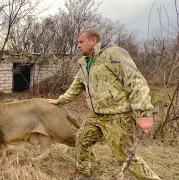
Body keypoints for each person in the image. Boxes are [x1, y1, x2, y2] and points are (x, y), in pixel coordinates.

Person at [48, 28, 160, 180]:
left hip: (118, 115)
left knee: (124, 156)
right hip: (97, 115)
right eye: (77, 43)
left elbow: (135, 81)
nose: (78, 45)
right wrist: (60, 100)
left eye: (81, 42)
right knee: (81, 137)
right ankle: (83, 170)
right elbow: (77, 86)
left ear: (93, 41)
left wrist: (143, 113)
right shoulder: (85, 63)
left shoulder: (113, 54)